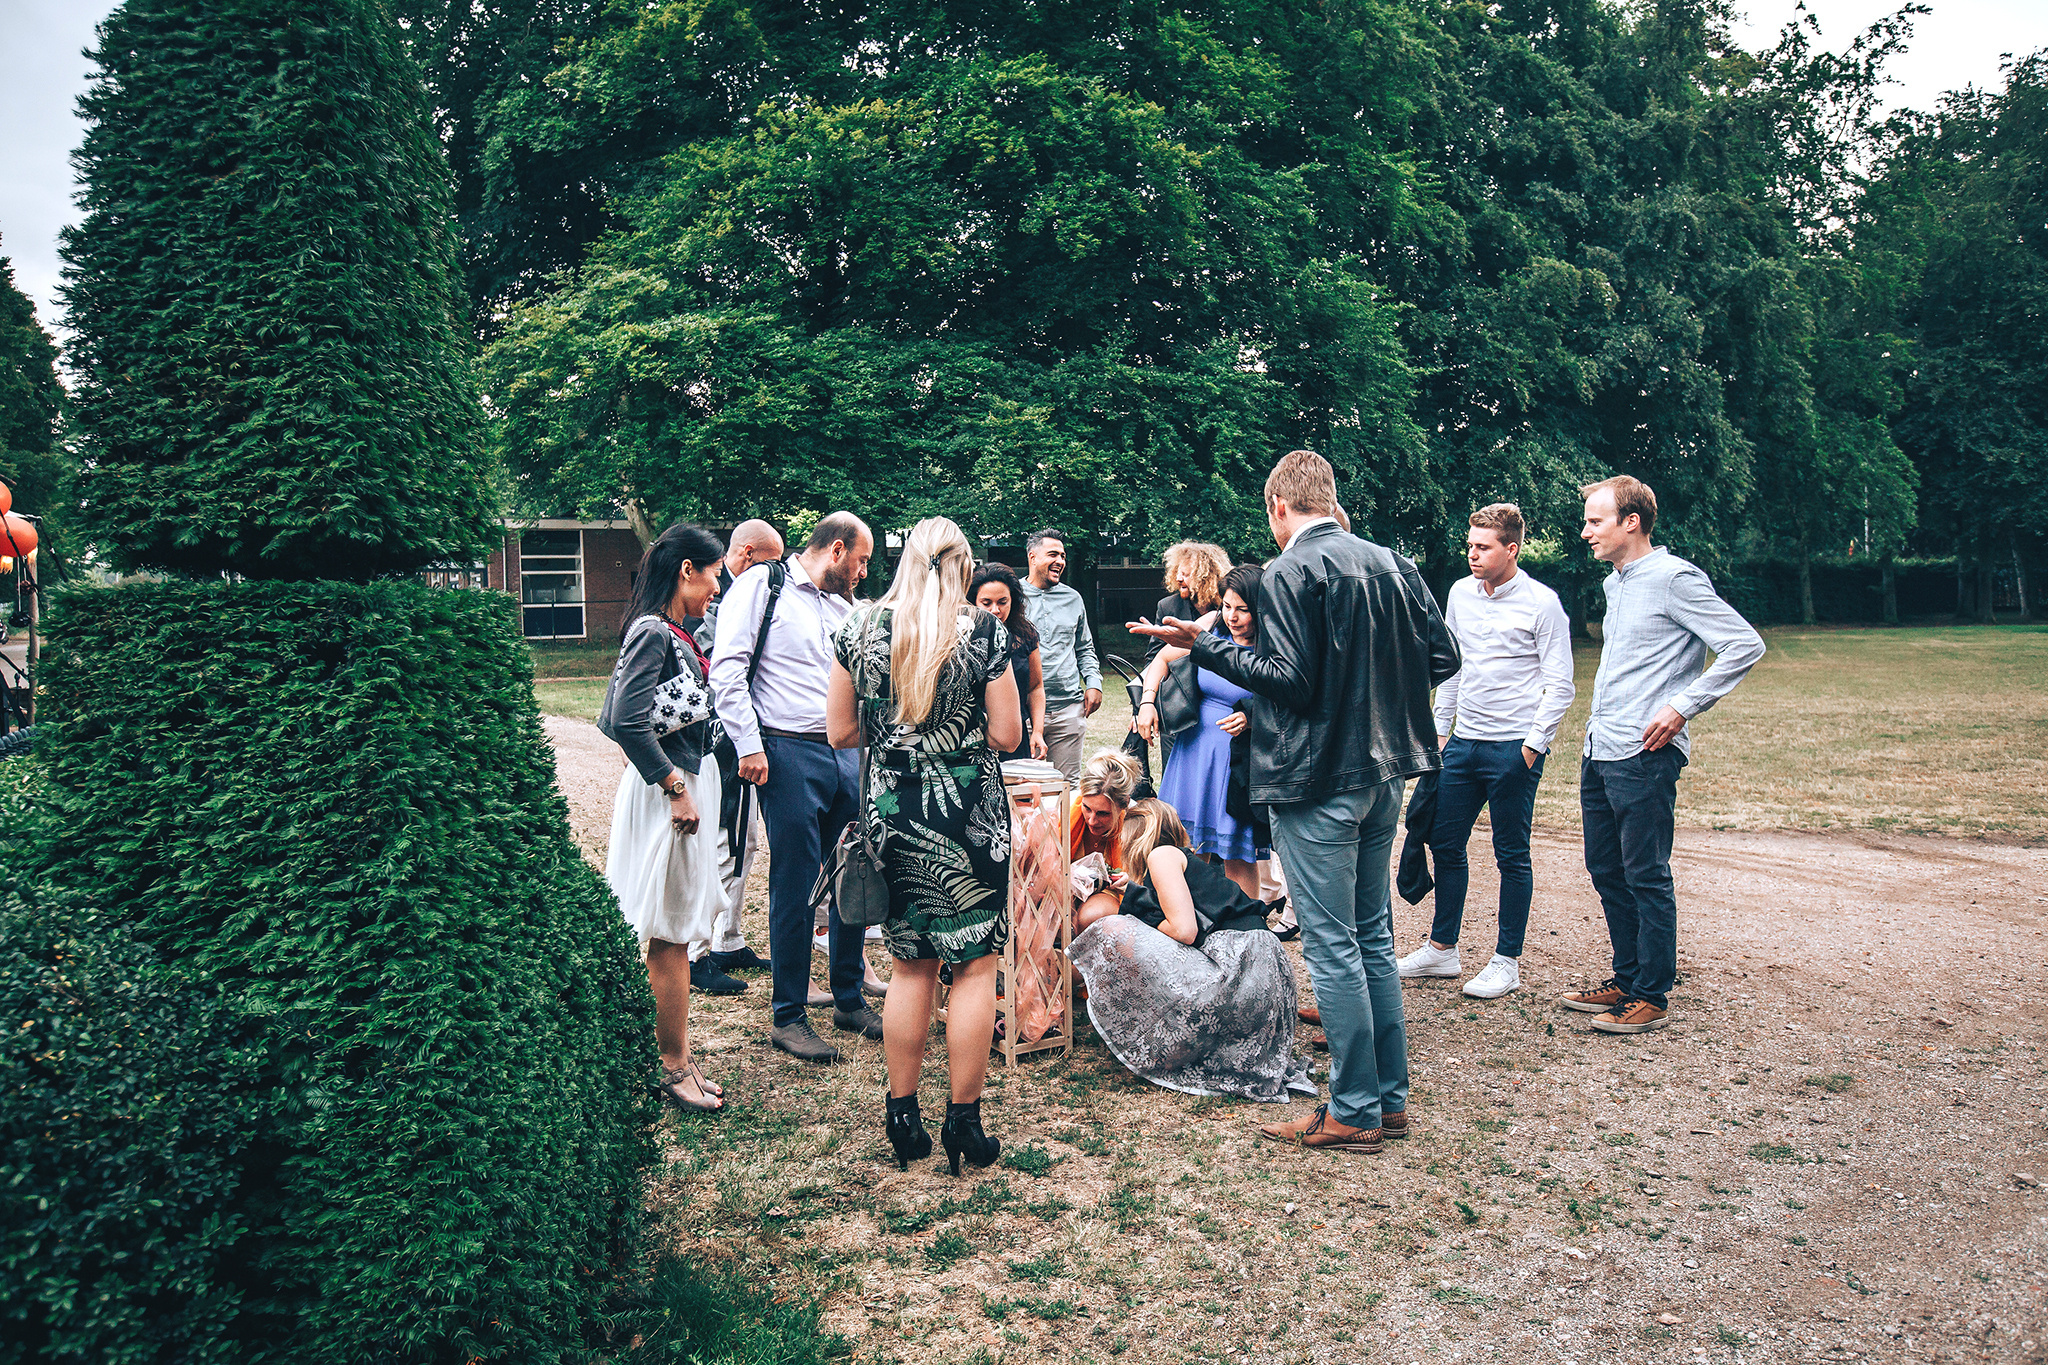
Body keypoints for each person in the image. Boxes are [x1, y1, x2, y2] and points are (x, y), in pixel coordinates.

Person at [1133, 450, 1459, 1156]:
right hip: (1385, 773)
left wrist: (1204, 646)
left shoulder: (1287, 572)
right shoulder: (1393, 562)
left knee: (1336, 944)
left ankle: (1354, 1107)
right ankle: (1387, 1098)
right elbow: (1443, 657)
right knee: (1371, 935)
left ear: (1279, 505)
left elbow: (1291, 678)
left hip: (1317, 779)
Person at [826, 517, 1022, 1175]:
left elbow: (840, 731)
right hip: (969, 816)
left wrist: (898, 737)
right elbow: (1007, 733)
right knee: (973, 964)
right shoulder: (985, 632)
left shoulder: (858, 629)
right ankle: (963, 1120)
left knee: (910, 963)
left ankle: (901, 1112)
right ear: (962, 565)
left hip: (894, 813)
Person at [1562, 476, 1764, 1034]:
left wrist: (1681, 706)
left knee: (1645, 873)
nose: (1585, 532)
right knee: (1605, 867)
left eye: (1595, 521)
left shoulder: (1675, 579)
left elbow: (1744, 644)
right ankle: (1626, 979)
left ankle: (1651, 994)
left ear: (1632, 522)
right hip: (1602, 746)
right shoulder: (1615, 583)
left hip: (1647, 753)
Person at [710, 511, 880, 1062]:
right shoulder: (765, 584)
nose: (861, 573)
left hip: (847, 753)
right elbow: (727, 669)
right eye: (859, 561)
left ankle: (849, 998)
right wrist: (750, 745)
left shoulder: (848, 610)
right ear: (835, 550)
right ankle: (788, 1015)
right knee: (796, 879)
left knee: (854, 870)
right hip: (785, 750)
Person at [1397, 503, 1576, 1000]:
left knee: (1511, 854)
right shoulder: (1459, 593)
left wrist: (1531, 747)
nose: (1472, 554)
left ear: (1511, 549)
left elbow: (1561, 684)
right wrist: (1438, 733)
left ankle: (1506, 961)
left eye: (1483, 546)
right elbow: (1452, 667)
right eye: (1470, 544)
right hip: (1462, 744)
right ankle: (1442, 949)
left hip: (1512, 749)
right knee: (1444, 843)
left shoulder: (1543, 603)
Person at [596, 523, 731, 1113]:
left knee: (674, 932)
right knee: (671, 936)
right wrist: (675, 787)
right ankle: (672, 1067)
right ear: (687, 570)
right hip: (667, 796)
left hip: (679, 787)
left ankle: (673, 1054)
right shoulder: (654, 631)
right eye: (715, 573)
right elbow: (622, 720)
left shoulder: (677, 631)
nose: (717, 587)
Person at [1069, 799, 1316, 1103]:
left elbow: (1184, 931)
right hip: (1260, 972)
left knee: (1113, 929)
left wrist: (1138, 915)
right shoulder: (1181, 860)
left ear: (1138, 838)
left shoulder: (1161, 855)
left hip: (1240, 966)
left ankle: (1069, 990)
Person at [1134, 562, 1267, 900]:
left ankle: (1244, 929)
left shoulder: (1272, 646)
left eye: (1243, 609)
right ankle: (1187, 924)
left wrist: (1252, 719)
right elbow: (1161, 661)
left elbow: (1289, 698)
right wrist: (1147, 703)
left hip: (1236, 762)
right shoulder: (1212, 632)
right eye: (1227, 606)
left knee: (1237, 855)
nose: (1233, 616)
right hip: (1192, 751)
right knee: (1184, 849)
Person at [1019, 528, 1102, 781]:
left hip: (1068, 708)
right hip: (1023, 711)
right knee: (1025, 789)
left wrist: (1094, 683)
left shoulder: (1073, 598)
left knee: (1068, 786)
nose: (1061, 562)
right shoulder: (1012, 597)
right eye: (1053, 554)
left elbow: (1085, 647)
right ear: (1032, 558)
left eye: (1063, 556)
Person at [970, 561, 1048, 762]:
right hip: (974, 739)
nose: (995, 610)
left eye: (1002, 602)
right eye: (986, 603)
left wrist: (1037, 731)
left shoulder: (1026, 635)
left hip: (1016, 736)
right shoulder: (964, 638)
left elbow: (1036, 688)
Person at [1069, 748, 1142, 933]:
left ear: (1123, 805)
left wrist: (1131, 882)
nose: (1092, 820)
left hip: (1111, 894)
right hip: (1064, 890)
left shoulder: (1136, 824)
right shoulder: (1065, 811)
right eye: (1087, 808)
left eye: (1103, 814)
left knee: (1091, 917)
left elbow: (1149, 883)